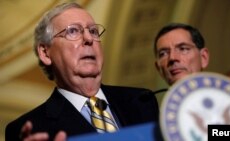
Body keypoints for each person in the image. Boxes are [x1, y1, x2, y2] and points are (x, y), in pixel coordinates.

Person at [5, 2, 159, 141]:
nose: (88, 38)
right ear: (45, 53)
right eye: (73, 31)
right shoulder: (29, 129)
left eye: (93, 31)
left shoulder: (142, 101)